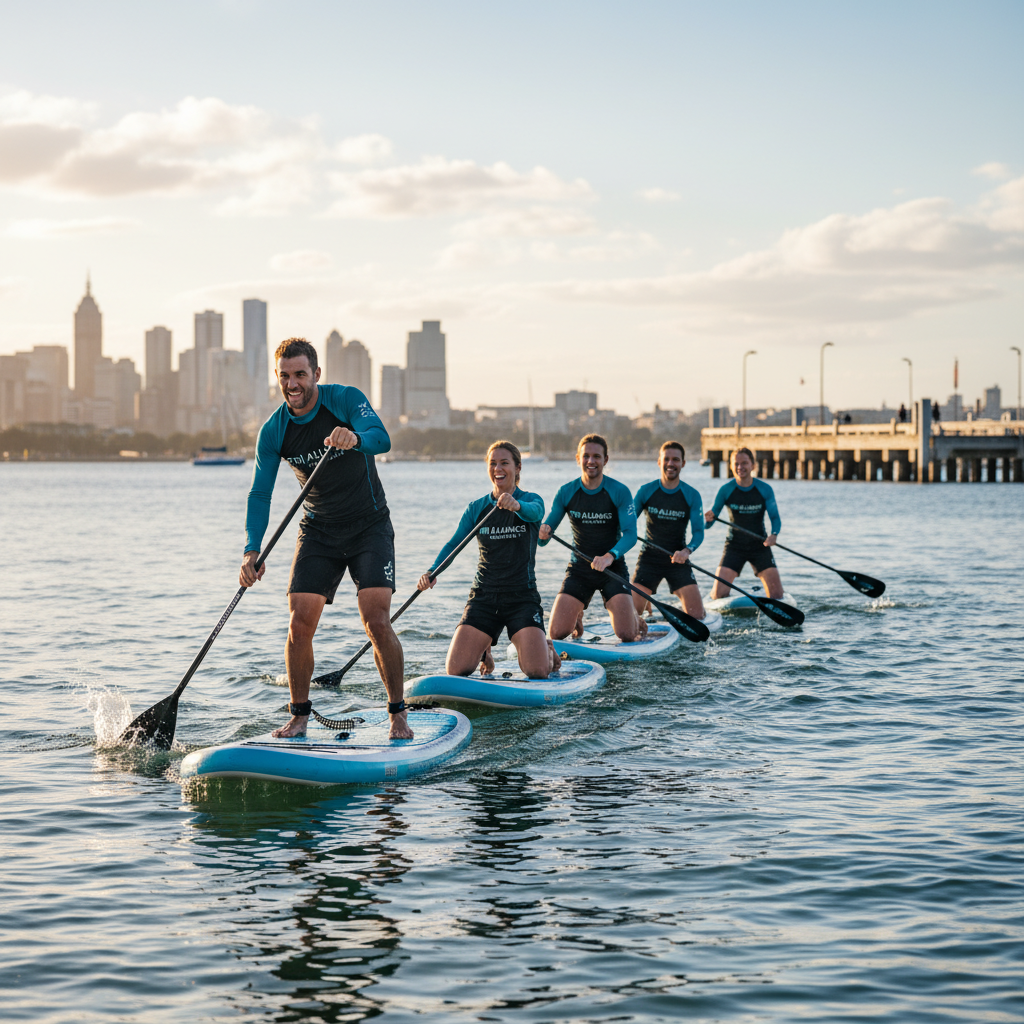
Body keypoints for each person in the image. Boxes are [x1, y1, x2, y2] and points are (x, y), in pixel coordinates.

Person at [239, 337, 412, 740]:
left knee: (376, 621)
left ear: (316, 374)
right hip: (318, 530)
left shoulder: (345, 399)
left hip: (369, 525)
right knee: (299, 624)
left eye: (300, 374)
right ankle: (299, 715)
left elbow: (381, 438)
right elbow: (259, 493)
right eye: (284, 376)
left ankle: (398, 713)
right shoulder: (274, 430)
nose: (292, 383)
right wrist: (252, 549)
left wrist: (357, 439)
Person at [417, 441, 560, 678]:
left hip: (521, 597)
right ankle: (485, 649)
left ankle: (546, 647)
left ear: (518, 467)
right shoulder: (477, 508)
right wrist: (432, 572)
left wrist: (517, 505)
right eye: (493, 463)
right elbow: (454, 544)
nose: (498, 468)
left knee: (537, 672)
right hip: (484, 596)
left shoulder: (532, 500)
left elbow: (535, 512)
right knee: (455, 669)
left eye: (504, 463)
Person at [538, 434, 645, 642]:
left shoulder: (619, 491)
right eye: (586, 456)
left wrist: (609, 556)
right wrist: (543, 535)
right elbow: (545, 535)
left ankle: (635, 618)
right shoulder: (566, 492)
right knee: (557, 633)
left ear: (605, 460)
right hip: (580, 569)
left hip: (612, 569)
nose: (591, 461)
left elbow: (631, 535)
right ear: (578, 458)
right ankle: (577, 613)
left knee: (627, 635)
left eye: (597, 456)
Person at [631, 441, 707, 621]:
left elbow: (699, 532)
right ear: (659, 461)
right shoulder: (646, 491)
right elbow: (627, 522)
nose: (671, 464)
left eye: (676, 460)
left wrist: (687, 551)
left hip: (678, 559)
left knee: (697, 617)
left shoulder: (692, 495)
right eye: (667, 459)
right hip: (649, 559)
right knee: (631, 618)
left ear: (683, 463)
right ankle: (645, 597)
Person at [704, 447, 785, 600]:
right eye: (736, 464)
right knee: (717, 595)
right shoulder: (726, 490)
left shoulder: (764, 489)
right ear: (731, 466)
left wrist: (774, 534)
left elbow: (775, 517)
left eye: (744, 463)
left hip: (760, 545)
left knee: (777, 596)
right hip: (735, 546)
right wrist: (707, 521)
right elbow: (709, 523)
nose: (740, 467)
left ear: (753, 465)